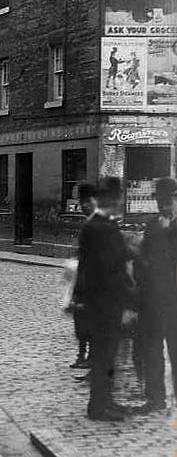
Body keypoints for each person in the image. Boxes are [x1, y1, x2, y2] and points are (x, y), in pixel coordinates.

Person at [73, 176, 132, 420]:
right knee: (103, 355)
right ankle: (99, 406)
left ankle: (106, 400)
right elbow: (106, 268)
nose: (118, 202)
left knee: (107, 355)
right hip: (103, 303)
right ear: (109, 198)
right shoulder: (97, 227)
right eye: (116, 198)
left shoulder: (103, 224)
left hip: (106, 302)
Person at [132, 176, 177, 414]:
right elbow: (141, 261)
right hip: (153, 301)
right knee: (152, 351)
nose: (165, 205)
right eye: (161, 200)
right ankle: (156, 399)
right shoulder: (151, 226)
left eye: (169, 200)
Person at [68, 182, 98, 370]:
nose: (84, 205)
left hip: (95, 281)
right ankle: (82, 355)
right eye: (82, 201)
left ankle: (91, 356)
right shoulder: (87, 223)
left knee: (91, 320)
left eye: (88, 201)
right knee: (80, 319)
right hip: (83, 279)